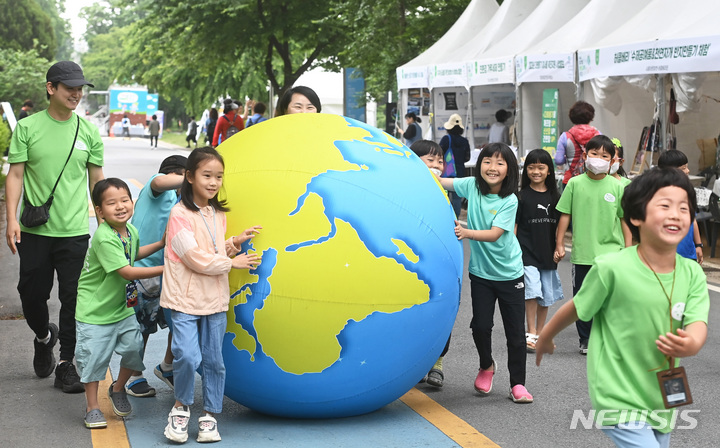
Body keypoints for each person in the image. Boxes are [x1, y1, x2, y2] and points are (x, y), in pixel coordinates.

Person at [536, 167, 709, 447]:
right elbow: (578, 307)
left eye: (684, 208)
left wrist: (692, 342)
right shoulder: (612, 267)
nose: (676, 214)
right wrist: (546, 335)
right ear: (636, 216)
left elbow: (697, 321)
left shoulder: (693, 274)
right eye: (665, 206)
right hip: (617, 393)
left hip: (660, 396)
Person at [5, 60, 104, 393]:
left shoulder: (88, 131)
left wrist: (104, 224)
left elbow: (96, 180)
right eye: (69, 88)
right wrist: (11, 219)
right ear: (51, 88)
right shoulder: (28, 127)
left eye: (80, 89)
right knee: (31, 295)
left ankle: (66, 363)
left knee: (74, 298)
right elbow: (15, 175)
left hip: (74, 232)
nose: (76, 94)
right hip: (35, 231)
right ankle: (44, 336)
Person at [161, 147, 262, 443]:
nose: (214, 182)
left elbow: (212, 250)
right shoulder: (179, 214)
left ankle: (209, 415)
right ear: (190, 176)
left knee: (214, 361)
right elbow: (193, 257)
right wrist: (232, 263)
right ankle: (180, 408)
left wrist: (233, 243)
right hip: (184, 299)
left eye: (219, 176)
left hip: (215, 299)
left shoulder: (217, 213)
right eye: (207, 175)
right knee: (186, 355)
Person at [437, 143, 533, 404]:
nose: (492, 167)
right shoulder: (471, 186)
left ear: (509, 169)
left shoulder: (510, 200)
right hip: (481, 274)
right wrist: (427, 169)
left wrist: (466, 232)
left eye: (500, 163)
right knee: (480, 326)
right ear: (479, 165)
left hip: (509, 274)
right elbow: (442, 182)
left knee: (515, 333)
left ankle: (518, 384)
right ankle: (486, 365)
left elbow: (495, 234)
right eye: (487, 161)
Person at [75, 178, 165, 429]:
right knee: (93, 360)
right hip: (95, 312)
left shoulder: (129, 231)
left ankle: (118, 388)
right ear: (99, 211)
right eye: (112, 203)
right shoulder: (104, 238)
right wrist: (167, 269)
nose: (120, 206)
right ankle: (92, 407)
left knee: (134, 348)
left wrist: (160, 244)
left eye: (125, 200)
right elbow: (126, 271)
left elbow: (133, 253)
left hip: (121, 308)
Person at [554, 135, 631, 355]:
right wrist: (559, 244)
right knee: (583, 297)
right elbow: (565, 215)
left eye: (604, 156)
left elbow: (624, 220)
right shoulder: (575, 184)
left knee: (610, 298)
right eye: (594, 154)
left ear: (612, 160)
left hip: (612, 254)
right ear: (585, 156)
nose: (598, 159)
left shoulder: (617, 186)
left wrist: (628, 249)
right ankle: (586, 338)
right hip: (583, 253)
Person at [125, 155, 187, 398]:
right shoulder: (157, 188)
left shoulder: (182, 201)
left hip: (168, 272)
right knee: (141, 327)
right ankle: (133, 376)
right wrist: (190, 177)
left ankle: (167, 366)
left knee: (178, 320)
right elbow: (160, 182)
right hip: (141, 272)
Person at [409, 140, 451, 387]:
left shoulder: (443, 191)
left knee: (442, 309)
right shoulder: (406, 190)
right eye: (430, 160)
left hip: (439, 261)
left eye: (440, 161)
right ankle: (415, 363)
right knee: (415, 313)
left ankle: (437, 362)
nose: (436, 165)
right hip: (412, 262)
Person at [515, 149, 563, 352]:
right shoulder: (521, 196)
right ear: (525, 170)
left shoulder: (555, 196)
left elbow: (561, 224)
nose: (536, 171)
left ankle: (541, 334)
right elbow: (515, 226)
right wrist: (513, 251)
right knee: (532, 291)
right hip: (526, 252)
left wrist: (559, 245)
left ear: (549, 171)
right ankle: (531, 332)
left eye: (541, 167)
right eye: (531, 167)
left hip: (548, 253)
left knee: (546, 295)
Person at [658, 149, 703, 264]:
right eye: (683, 168)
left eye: (687, 167)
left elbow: (693, 219)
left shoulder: (688, 191)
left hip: (688, 252)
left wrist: (698, 245)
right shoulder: (658, 194)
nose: (688, 171)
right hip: (667, 253)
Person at [554, 101, 600, 186]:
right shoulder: (598, 134)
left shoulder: (565, 136)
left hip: (570, 179)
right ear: (591, 116)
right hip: (593, 178)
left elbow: (558, 160)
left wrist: (568, 157)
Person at [440, 113, 472, 217]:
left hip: (446, 172)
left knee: (444, 195)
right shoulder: (464, 141)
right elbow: (467, 158)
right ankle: (456, 219)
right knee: (457, 197)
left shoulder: (446, 139)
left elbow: (439, 154)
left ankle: (445, 217)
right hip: (460, 172)